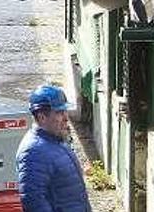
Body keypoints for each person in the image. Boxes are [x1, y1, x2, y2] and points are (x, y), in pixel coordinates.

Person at [16, 84, 91, 212]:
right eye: (59, 112)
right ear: (42, 117)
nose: (66, 118)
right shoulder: (33, 152)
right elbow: (34, 202)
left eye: (65, 111)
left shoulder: (57, 140)